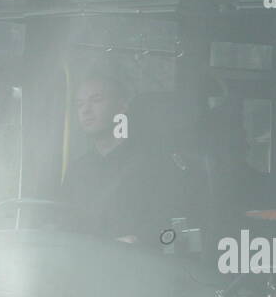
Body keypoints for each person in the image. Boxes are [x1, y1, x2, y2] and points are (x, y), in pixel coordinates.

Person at [59, 72, 183, 245]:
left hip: (139, 266)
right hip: (81, 265)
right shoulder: (77, 170)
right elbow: (62, 225)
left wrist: (139, 240)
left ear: (122, 106)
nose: (85, 110)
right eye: (79, 104)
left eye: (96, 100)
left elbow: (175, 228)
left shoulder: (155, 165)